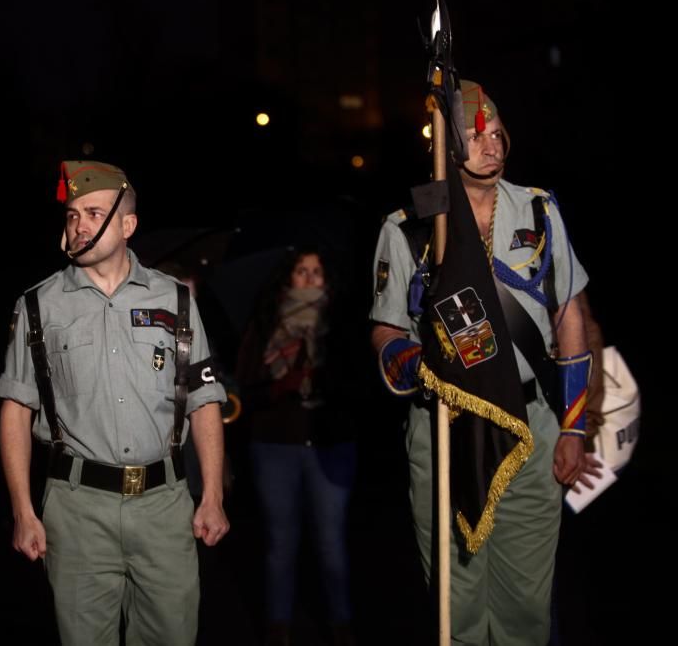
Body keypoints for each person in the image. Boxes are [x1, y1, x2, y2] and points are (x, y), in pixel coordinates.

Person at [369, 80, 589, 645]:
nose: (490, 145)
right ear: (445, 145)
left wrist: (575, 424)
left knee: (526, 606)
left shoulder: (540, 212)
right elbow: (386, 328)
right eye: (473, 134)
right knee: (454, 604)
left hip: (531, 423)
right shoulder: (410, 225)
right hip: (445, 428)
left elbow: (569, 315)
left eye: (496, 133)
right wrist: (413, 360)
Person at [0, 160, 229, 646]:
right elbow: (16, 410)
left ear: (127, 225)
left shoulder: (175, 300)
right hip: (77, 507)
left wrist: (212, 496)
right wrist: (22, 510)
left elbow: (205, 399)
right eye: (72, 214)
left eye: (93, 212)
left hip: (164, 505)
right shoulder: (39, 305)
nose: (78, 224)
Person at [237, 248, 355, 646]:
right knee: (280, 544)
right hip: (275, 443)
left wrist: (324, 376)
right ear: (287, 278)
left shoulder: (339, 323)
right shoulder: (267, 321)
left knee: (331, 544)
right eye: (301, 271)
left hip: (329, 443)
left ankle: (341, 626)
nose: (308, 278)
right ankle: (278, 628)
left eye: (317, 272)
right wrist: (280, 385)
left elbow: (360, 386)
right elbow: (244, 385)